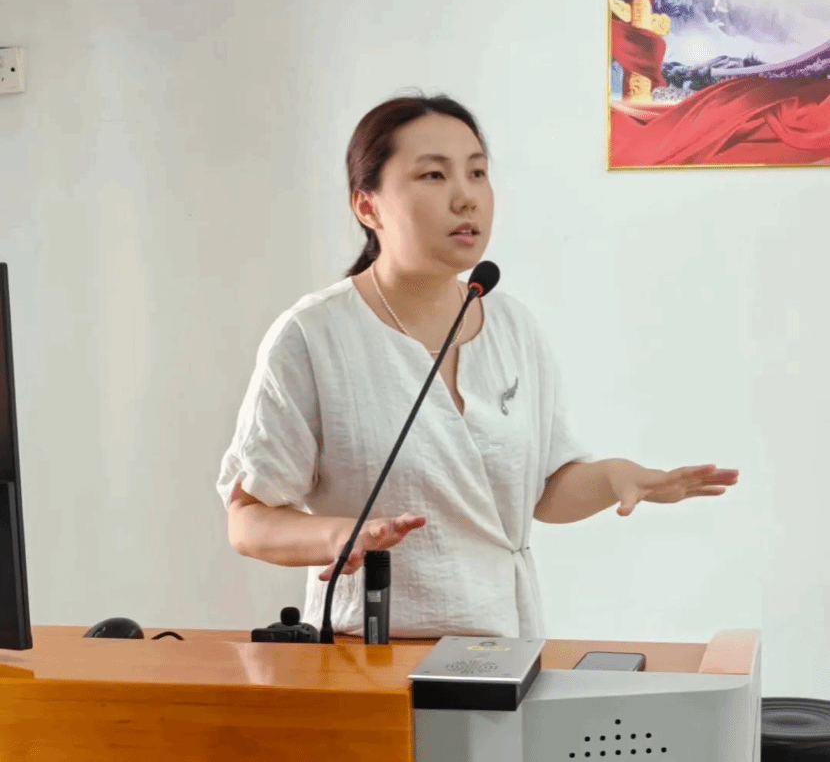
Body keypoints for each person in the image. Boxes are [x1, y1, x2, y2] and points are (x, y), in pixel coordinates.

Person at [215, 92, 739, 640]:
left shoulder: (512, 326)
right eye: (433, 176)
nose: (466, 198)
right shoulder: (314, 336)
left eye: (477, 173)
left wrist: (612, 478)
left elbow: (542, 492)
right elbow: (248, 520)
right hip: (369, 654)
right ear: (367, 207)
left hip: (502, 651)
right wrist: (338, 537)